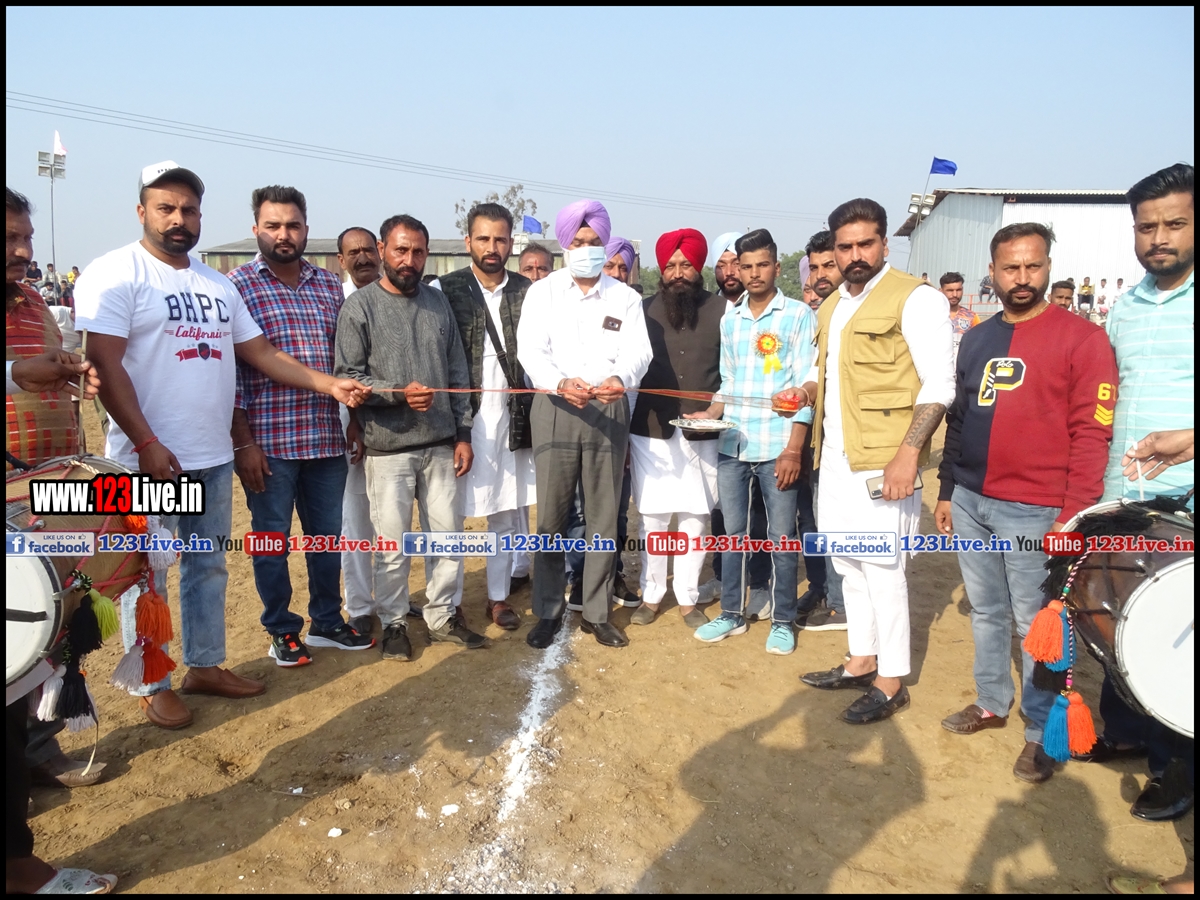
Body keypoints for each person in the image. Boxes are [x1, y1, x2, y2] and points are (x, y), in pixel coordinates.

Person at [75, 161, 370, 729]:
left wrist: (328, 385)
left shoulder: (216, 285)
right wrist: (146, 441)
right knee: (148, 573)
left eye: (188, 209)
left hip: (208, 456)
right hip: (145, 460)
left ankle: (205, 665)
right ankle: (152, 683)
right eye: (166, 208)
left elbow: (262, 355)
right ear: (142, 212)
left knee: (207, 566)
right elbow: (104, 365)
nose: (178, 219)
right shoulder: (116, 272)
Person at [935, 222, 1117, 783]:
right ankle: (992, 701)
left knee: (1036, 623)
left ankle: (1042, 731)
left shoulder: (1083, 339)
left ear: (1048, 268)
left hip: (1036, 511)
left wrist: (1073, 513)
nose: (1022, 277)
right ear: (992, 272)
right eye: (1010, 267)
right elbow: (959, 420)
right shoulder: (976, 339)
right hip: (971, 502)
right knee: (987, 611)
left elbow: (1093, 432)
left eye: (1032, 266)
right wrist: (946, 490)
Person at [791, 198, 955, 724]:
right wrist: (802, 393)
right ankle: (861, 660)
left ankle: (891, 680)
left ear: (885, 243)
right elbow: (824, 373)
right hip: (836, 459)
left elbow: (939, 384)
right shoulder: (833, 305)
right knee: (848, 564)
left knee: (884, 570)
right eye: (846, 246)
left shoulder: (916, 299)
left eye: (866, 243)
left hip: (884, 462)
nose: (855, 255)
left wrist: (907, 455)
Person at [1076, 163, 1194, 825]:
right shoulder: (1126, 306)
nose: (1159, 239)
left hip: (1187, 504)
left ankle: (1175, 767)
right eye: (1146, 227)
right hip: (1125, 496)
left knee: (1176, 642)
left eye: (1175, 223)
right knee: (1116, 619)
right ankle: (1123, 732)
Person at [227, 186, 374, 666]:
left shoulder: (330, 285)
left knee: (326, 538)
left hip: (325, 437)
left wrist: (353, 423)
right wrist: (243, 443)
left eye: (292, 225)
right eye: (273, 225)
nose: (283, 234)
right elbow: (231, 374)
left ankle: (327, 621)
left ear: (306, 230)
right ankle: (282, 629)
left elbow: (347, 362)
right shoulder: (236, 286)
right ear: (256, 229)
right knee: (271, 542)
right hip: (268, 442)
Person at [335, 214, 484, 660]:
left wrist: (463, 433)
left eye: (418, 251)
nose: (409, 260)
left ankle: (442, 616)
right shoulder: (359, 307)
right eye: (401, 250)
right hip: (388, 450)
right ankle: (395, 622)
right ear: (383, 250)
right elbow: (349, 377)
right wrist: (397, 394)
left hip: (440, 445)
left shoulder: (438, 304)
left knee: (446, 539)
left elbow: (458, 373)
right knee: (392, 546)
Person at [7, 186, 108, 790]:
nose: (24, 251)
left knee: (52, 618)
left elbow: (48, 374)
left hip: (48, 489)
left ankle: (39, 749)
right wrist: (18, 373)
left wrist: (71, 377)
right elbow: (22, 374)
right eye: (9, 239)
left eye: (26, 238)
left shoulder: (33, 303)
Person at [516, 199, 651, 649]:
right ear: (564, 244)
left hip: (608, 408)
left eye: (594, 242)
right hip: (555, 407)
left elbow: (639, 351)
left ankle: (596, 611)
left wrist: (621, 378)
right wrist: (558, 382)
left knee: (603, 516)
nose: (587, 249)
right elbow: (530, 350)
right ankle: (548, 610)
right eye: (578, 241)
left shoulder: (625, 297)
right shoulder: (543, 293)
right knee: (552, 516)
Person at [691, 228, 815, 655]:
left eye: (763, 265)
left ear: (777, 268)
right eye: (746, 266)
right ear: (737, 270)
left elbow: (805, 384)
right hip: (734, 445)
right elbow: (728, 382)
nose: (754, 273)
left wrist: (794, 449)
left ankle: (782, 620)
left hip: (778, 447)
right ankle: (731, 613)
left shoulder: (798, 315)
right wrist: (709, 415)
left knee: (781, 537)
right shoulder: (731, 320)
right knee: (733, 534)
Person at [438, 202, 535, 631]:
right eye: (483, 238)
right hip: (461, 422)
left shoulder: (528, 292)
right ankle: (451, 602)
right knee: (451, 516)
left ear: (511, 244)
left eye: (500, 239)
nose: (491, 247)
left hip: (512, 420)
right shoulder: (444, 289)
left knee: (504, 513)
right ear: (468, 242)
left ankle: (498, 597)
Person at [628, 229, 722, 628]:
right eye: (670, 266)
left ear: (699, 268)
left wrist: (717, 407)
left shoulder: (723, 310)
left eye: (686, 265)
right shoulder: (640, 310)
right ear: (661, 270)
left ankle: (687, 598)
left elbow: (732, 371)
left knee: (695, 516)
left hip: (704, 430)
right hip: (649, 429)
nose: (678, 273)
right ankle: (651, 595)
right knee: (653, 517)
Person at [701, 231, 772, 608]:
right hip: (719, 425)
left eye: (736, 264)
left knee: (758, 510)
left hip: (762, 429)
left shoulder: (766, 311)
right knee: (723, 512)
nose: (730, 272)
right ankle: (721, 575)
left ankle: (759, 581)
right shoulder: (709, 309)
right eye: (722, 265)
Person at [797, 230, 847, 631]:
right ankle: (822, 588)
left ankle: (842, 602)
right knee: (813, 519)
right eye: (814, 268)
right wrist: (802, 394)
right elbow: (815, 374)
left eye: (828, 264)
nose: (820, 275)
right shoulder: (818, 314)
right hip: (814, 436)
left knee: (840, 522)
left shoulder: (853, 309)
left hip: (853, 441)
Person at [334, 227, 383, 634]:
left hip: (396, 427)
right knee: (356, 517)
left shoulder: (395, 296)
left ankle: (391, 597)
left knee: (392, 519)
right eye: (353, 253)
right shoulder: (337, 301)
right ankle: (361, 605)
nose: (363, 258)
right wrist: (354, 421)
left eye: (368, 250)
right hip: (348, 425)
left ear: (380, 252)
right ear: (341, 260)